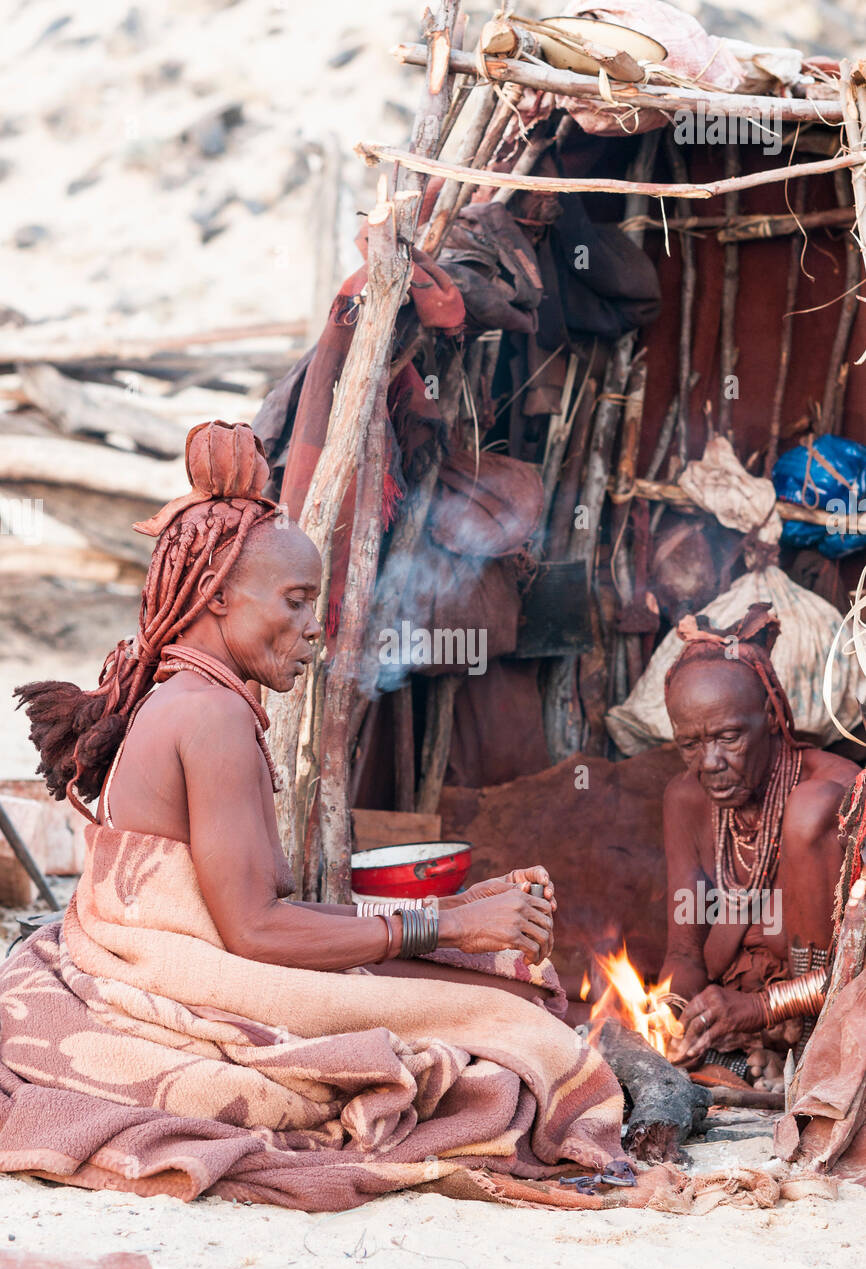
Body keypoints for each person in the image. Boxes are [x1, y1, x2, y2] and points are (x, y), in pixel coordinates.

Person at [0, 421, 627, 1212]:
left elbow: (261, 915)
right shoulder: (210, 716)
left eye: (315, 604)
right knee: (519, 1031)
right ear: (216, 595)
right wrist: (444, 927)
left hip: (189, 962)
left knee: (490, 992)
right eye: (295, 602)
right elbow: (257, 935)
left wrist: (453, 913)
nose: (311, 629)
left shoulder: (196, 698)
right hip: (180, 980)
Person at [658, 605, 858, 1074]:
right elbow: (685, 953)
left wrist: (760, 1008)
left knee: (808, 811)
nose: (709, 762)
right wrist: (668, 1017)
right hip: (742, 1038)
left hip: (828, 1026)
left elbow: (857, 972)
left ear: (770, 717)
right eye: (690, 744)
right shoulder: (687, 799)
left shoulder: (838, 791)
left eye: (729, 737)